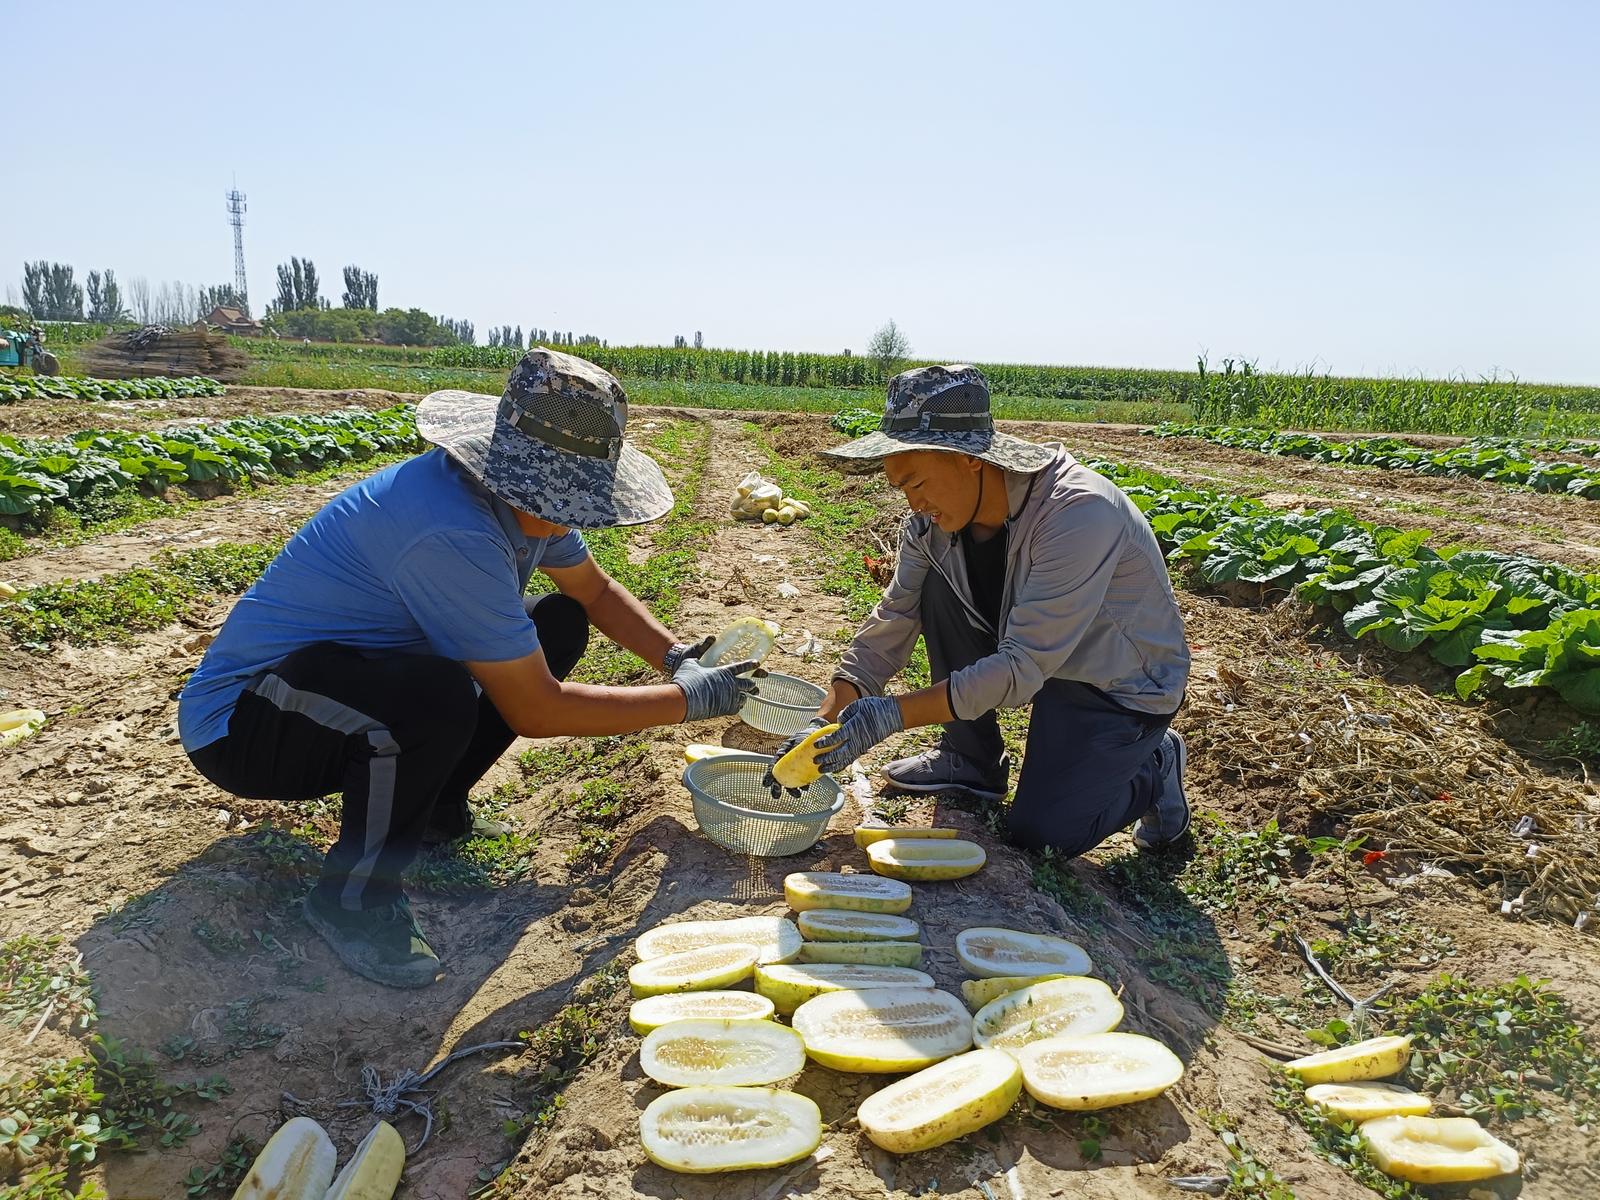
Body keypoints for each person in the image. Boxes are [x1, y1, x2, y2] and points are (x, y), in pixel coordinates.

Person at [178, 349, 755, 988]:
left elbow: (591, 592)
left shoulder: (527, 506)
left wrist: (676, 659)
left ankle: (434, 807)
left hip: (339, 685)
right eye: (562, 497)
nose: (571, 513)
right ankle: (354, 900)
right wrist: (686, 700)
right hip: (247, 726)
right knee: (434, 698)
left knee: (556, 622)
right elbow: (538, 709)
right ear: (510, 473)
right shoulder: (450, 530)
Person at [766, 364, 1191, 859]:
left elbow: (1020, 666)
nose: (914, 503)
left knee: (1043, 834)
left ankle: (1156, 765)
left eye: (918, 482)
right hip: (1034, 654)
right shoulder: (931, 526)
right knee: (931, 593)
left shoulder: (1078, 514)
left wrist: (889, 716)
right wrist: (825, 721)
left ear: (970, 460)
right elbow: (894, 619)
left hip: (1113, 682)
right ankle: (970, 759)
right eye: (902, 488)